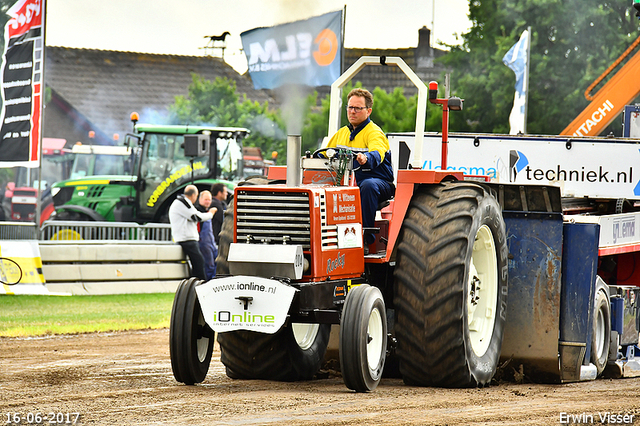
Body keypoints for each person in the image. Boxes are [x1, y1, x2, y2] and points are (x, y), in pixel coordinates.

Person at [325, 88, 395, 253]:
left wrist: (366, 159)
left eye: (357, 108)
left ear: (368, 111)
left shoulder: (374, 133)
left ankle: (365, 238)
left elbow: (377, 153)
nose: (352, 111)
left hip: (378, 182)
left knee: (367, 186)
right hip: (348, 182)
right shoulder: (341, 134)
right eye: (350, 107)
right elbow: (325, 155)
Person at [168, 185, 217, 280]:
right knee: (199, 262)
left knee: (198, 261)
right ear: (194, 195)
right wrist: (211, 214)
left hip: (187, 238)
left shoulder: (183, 203)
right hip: (187, 239)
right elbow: (196, 217)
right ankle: (199, 285)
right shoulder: (182, 203)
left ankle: (196, 283)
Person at [195, 190, 217, 280]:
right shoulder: (198, 211)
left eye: (209, 200)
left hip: (211, 242)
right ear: (200, 199)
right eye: (206, 199)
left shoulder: (206, 211)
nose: (208, 202)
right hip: (203, 242)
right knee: (209, 265)